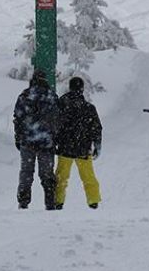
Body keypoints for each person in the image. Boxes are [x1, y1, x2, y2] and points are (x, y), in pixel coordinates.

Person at [14, 69, 60, 210]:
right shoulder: (51, 96)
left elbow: (18, 118)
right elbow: (58, 120)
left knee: (26, 171)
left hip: (27, 141)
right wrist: (55, 138)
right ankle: (50, 201)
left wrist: (18, 137)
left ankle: (23, 201)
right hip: (46, 142)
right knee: (46, 173)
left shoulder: (24, 96)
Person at [54, 77, 102, 210]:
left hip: (65, 147)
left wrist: (54, 142)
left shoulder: (62, 104)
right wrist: (97, 145)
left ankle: (58, 201)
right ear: (82, 89)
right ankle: (93, 200)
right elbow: (97, 128)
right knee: (88, 176)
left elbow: (55, 124)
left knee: (61, 176)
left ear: (70, 87)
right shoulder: (88, 107)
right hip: (83, 148)